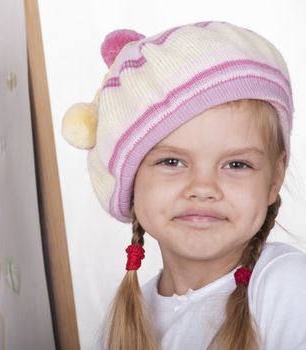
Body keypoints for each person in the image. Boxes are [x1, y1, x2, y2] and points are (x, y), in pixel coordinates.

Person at [61, 21, 306, 350]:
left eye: (237, 164)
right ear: (130, 183)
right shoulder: (123, 325)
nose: (203, 188)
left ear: (274, 179)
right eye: (172, 162)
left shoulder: (287, 287)